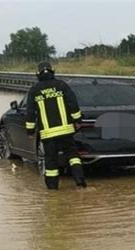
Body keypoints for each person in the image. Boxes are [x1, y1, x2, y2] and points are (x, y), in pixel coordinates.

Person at [25, 62, 87, 190]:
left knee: (51, 161)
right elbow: (73, 104)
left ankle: (52, 191)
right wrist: (78, 120)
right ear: (53, 71)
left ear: (38, 74)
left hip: (48, 134)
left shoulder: (34, 90)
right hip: (66, 131)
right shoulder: (62, 86)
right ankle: (80, 183)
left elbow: (30, 112)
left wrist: (30, 130)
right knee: (73, 156)